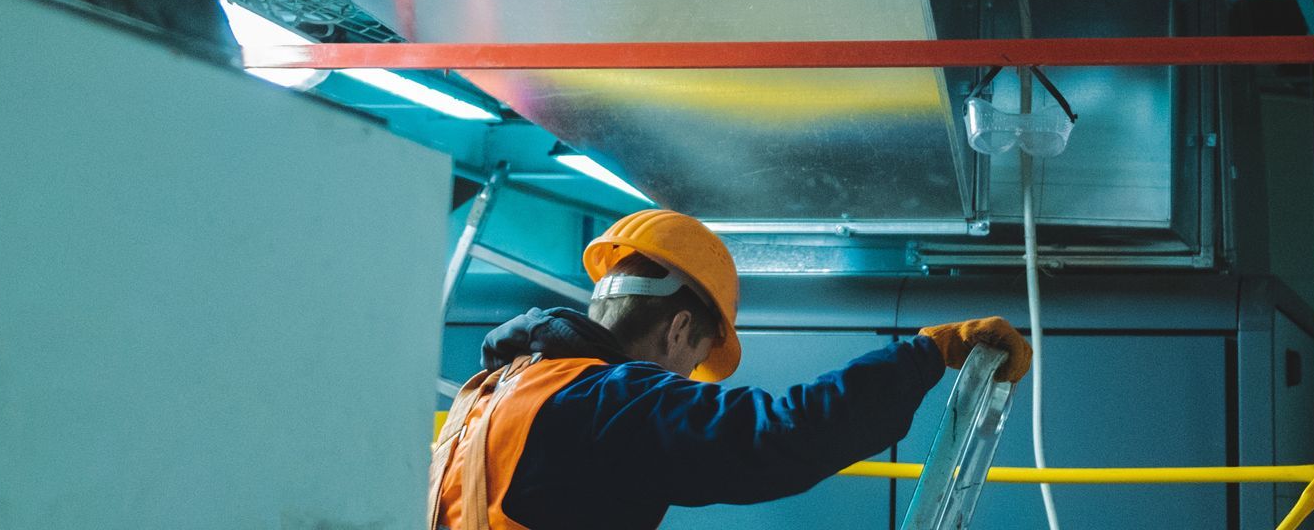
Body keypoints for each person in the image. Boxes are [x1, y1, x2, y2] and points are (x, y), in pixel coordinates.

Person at [429, 208, 1031, 529]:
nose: (688, 376)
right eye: (694, 362)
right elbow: (784, 435)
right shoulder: (606, 402)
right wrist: (928, 351)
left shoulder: (491, 394)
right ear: (681, 329)